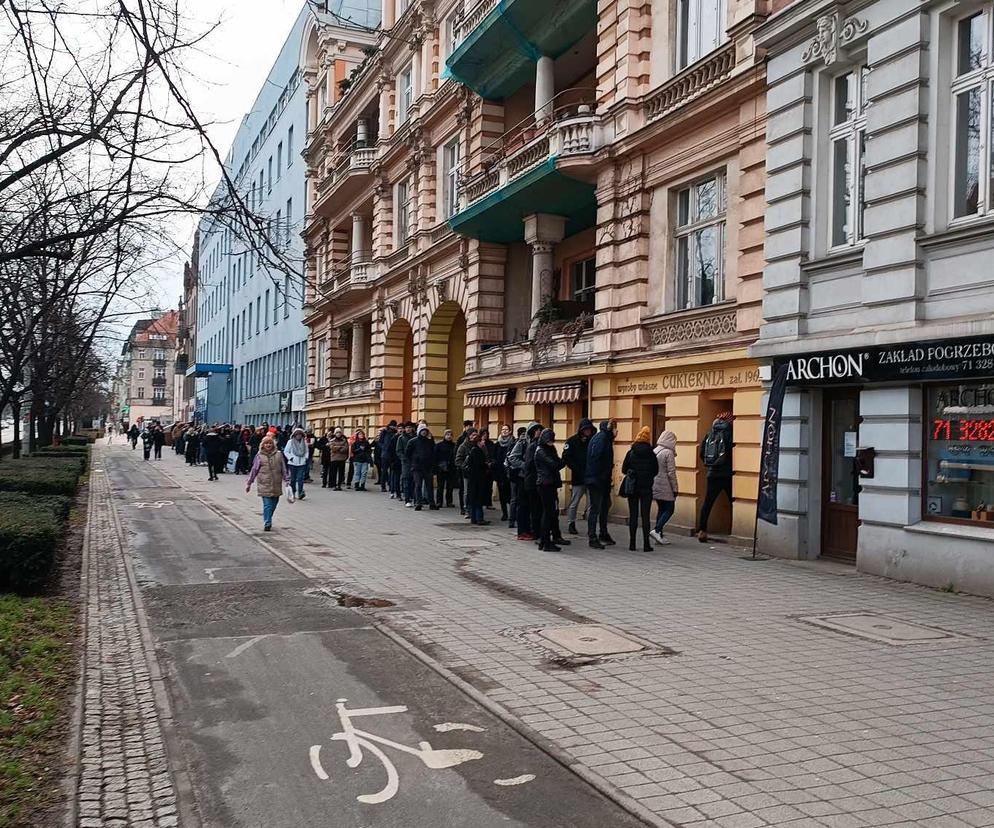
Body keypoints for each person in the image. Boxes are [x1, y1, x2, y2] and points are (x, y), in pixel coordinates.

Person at [698, 412, 734, 542]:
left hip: (712, 474)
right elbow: (732, 452)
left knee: (708, 502)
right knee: (733, 503)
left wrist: (711, 465)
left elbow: (702, 453)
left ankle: (702, 531)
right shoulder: (730, 433)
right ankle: (732, 529)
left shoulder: (710, 434)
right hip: (728, 474)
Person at [622, 427, 659, 552]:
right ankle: (646, 544)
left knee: (633, 515)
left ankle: (632, 544)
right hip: (646, 488)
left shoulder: (631, 452)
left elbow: (623, 469)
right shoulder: (651, 453)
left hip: (633, 487)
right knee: (645, 516)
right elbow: (656, 471)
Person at [246, 435, 290, 531]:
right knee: (267, 504)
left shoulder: (279, 454)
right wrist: (249, 483)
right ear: (263, 445)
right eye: (266, 443)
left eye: (270, 443)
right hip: (264, 483)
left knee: (274, 503)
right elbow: (254, 470)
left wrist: (287, 480)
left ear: (273, 444)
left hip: (276, 483)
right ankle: (267, 522)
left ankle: (268, 517)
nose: (268, 445)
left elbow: (283, 468)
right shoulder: (259, 456)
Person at [586, 419, 618, 549]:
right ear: (610, 429)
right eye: (615, 428)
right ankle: (592, 537)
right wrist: (601, 476)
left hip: (599, 479)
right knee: (596, 508)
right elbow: (596, 459)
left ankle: (603, 533)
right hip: (597, 480)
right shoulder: (602, 439)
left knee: (605, 505)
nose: (617, 431)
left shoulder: (602, 438)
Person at [534, 428, 566, 551]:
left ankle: (544, 541)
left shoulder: (548, 449)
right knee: (548, 513)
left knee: (549, 513)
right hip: (545, 484)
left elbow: (557, 463)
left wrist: (562, 461)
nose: (551, 443)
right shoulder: (541, 451)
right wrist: (562, 461)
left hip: (549, 483)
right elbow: (554, 464)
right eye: (549, 440)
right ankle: (546, 542)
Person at [563, 418, 595, 535]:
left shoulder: (593, 440)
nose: (588, 431)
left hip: (591, 477)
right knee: (574, 502)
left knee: (591, 503)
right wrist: (576, 468)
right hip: (578, 477)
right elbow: (566, 457)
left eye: (589, 429)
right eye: (586, 429)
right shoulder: (572, 441)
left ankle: (591, 527)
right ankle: (571, 523)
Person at [507, 424, 539, 540]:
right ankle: (522, 531)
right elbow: (512, 458)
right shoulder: (522, 442)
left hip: (533, 478)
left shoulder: (537, 443)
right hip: (523, 478)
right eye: (536, 430)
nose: (539, 432)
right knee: (523, 505)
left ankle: (531, 529)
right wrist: (525, 466)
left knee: (532, 506)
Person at [651, 430, 678, 545]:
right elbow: (671, 472)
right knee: (669, 509)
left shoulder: (655, 450)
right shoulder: (668, 453)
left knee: (661, 509)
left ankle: (659, 535)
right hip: (665, 485)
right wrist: (675, 488)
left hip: (654, 484)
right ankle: (657, 530)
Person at [407, 425, 437, 510]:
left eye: (425, 430)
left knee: (429, 486)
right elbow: (408, 453)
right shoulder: (413, 441)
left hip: (428, 467)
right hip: (417, 467)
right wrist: (413, 461)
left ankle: (432, 503)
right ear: (419, 431)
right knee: (418, 485)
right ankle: (418, 503)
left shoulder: (429, 441)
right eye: (422, 430)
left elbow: (433, 452)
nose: (424, 432)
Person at [464, 430, 490, 525]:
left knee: (473, 500)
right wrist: (486, 465)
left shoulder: (473, 450)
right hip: (478, 479)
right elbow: (479, 465)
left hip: (472, 479)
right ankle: (479, 518)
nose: (483, 442)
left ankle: (474, 518)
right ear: (478, 442)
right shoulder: (478, 452)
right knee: (478, 499)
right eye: (481, 441)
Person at [505, 426, 526, 530]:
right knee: (515, 499)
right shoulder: (516, 444)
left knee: (517, 499)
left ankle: (514, 519)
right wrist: (523, 465)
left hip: (517, 475)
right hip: (516, 475)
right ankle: (512, 520)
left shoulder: (516, 443)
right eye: (523, 434)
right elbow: (510, 459)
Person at [434, 429, 460, 508]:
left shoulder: (454, 446)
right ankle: (439, 502)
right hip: (441, 468)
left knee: (450, 486)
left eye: (450, 435)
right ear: (444, 436)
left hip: (451, 468)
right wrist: (437, 466)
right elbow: (435, 457)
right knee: (440, 486)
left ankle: (449, 502)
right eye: (447, 435)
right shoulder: (439, 445)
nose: (449, 436)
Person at [492, 425, 513, 521]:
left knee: (511, 494)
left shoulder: (513, 442)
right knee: (502, 494)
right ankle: (504, 513)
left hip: (510, 473)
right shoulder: (497, 444)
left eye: (506, 429)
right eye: (503, 429)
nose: (504, 431)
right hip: (500, 473)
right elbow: (494, 457)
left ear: (510, 431)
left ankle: (512, 514)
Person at [283, 427, 309, 500]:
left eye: (300, 434)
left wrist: (305, 458)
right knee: (293, 479)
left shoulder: (304, 443)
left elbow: (307, 451)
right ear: (294, 435)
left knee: (300, 478)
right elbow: (286, 451)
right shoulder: (290, 442)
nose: (298, 436)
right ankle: (293, 492)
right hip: (292, 463)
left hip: (302, 463)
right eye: (297, 434)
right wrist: (291, 458)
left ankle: (300, 492)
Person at [396, 422, 416, 506]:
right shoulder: (401, 438)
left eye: (409, 427)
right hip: (406, 462)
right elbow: (398, 450)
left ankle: (414, 498)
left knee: (414, 481)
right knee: (406, 481)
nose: (408, 429)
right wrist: (403, 458)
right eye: (407, 427)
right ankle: (407, 500)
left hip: (415, 462)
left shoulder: (416, 438)